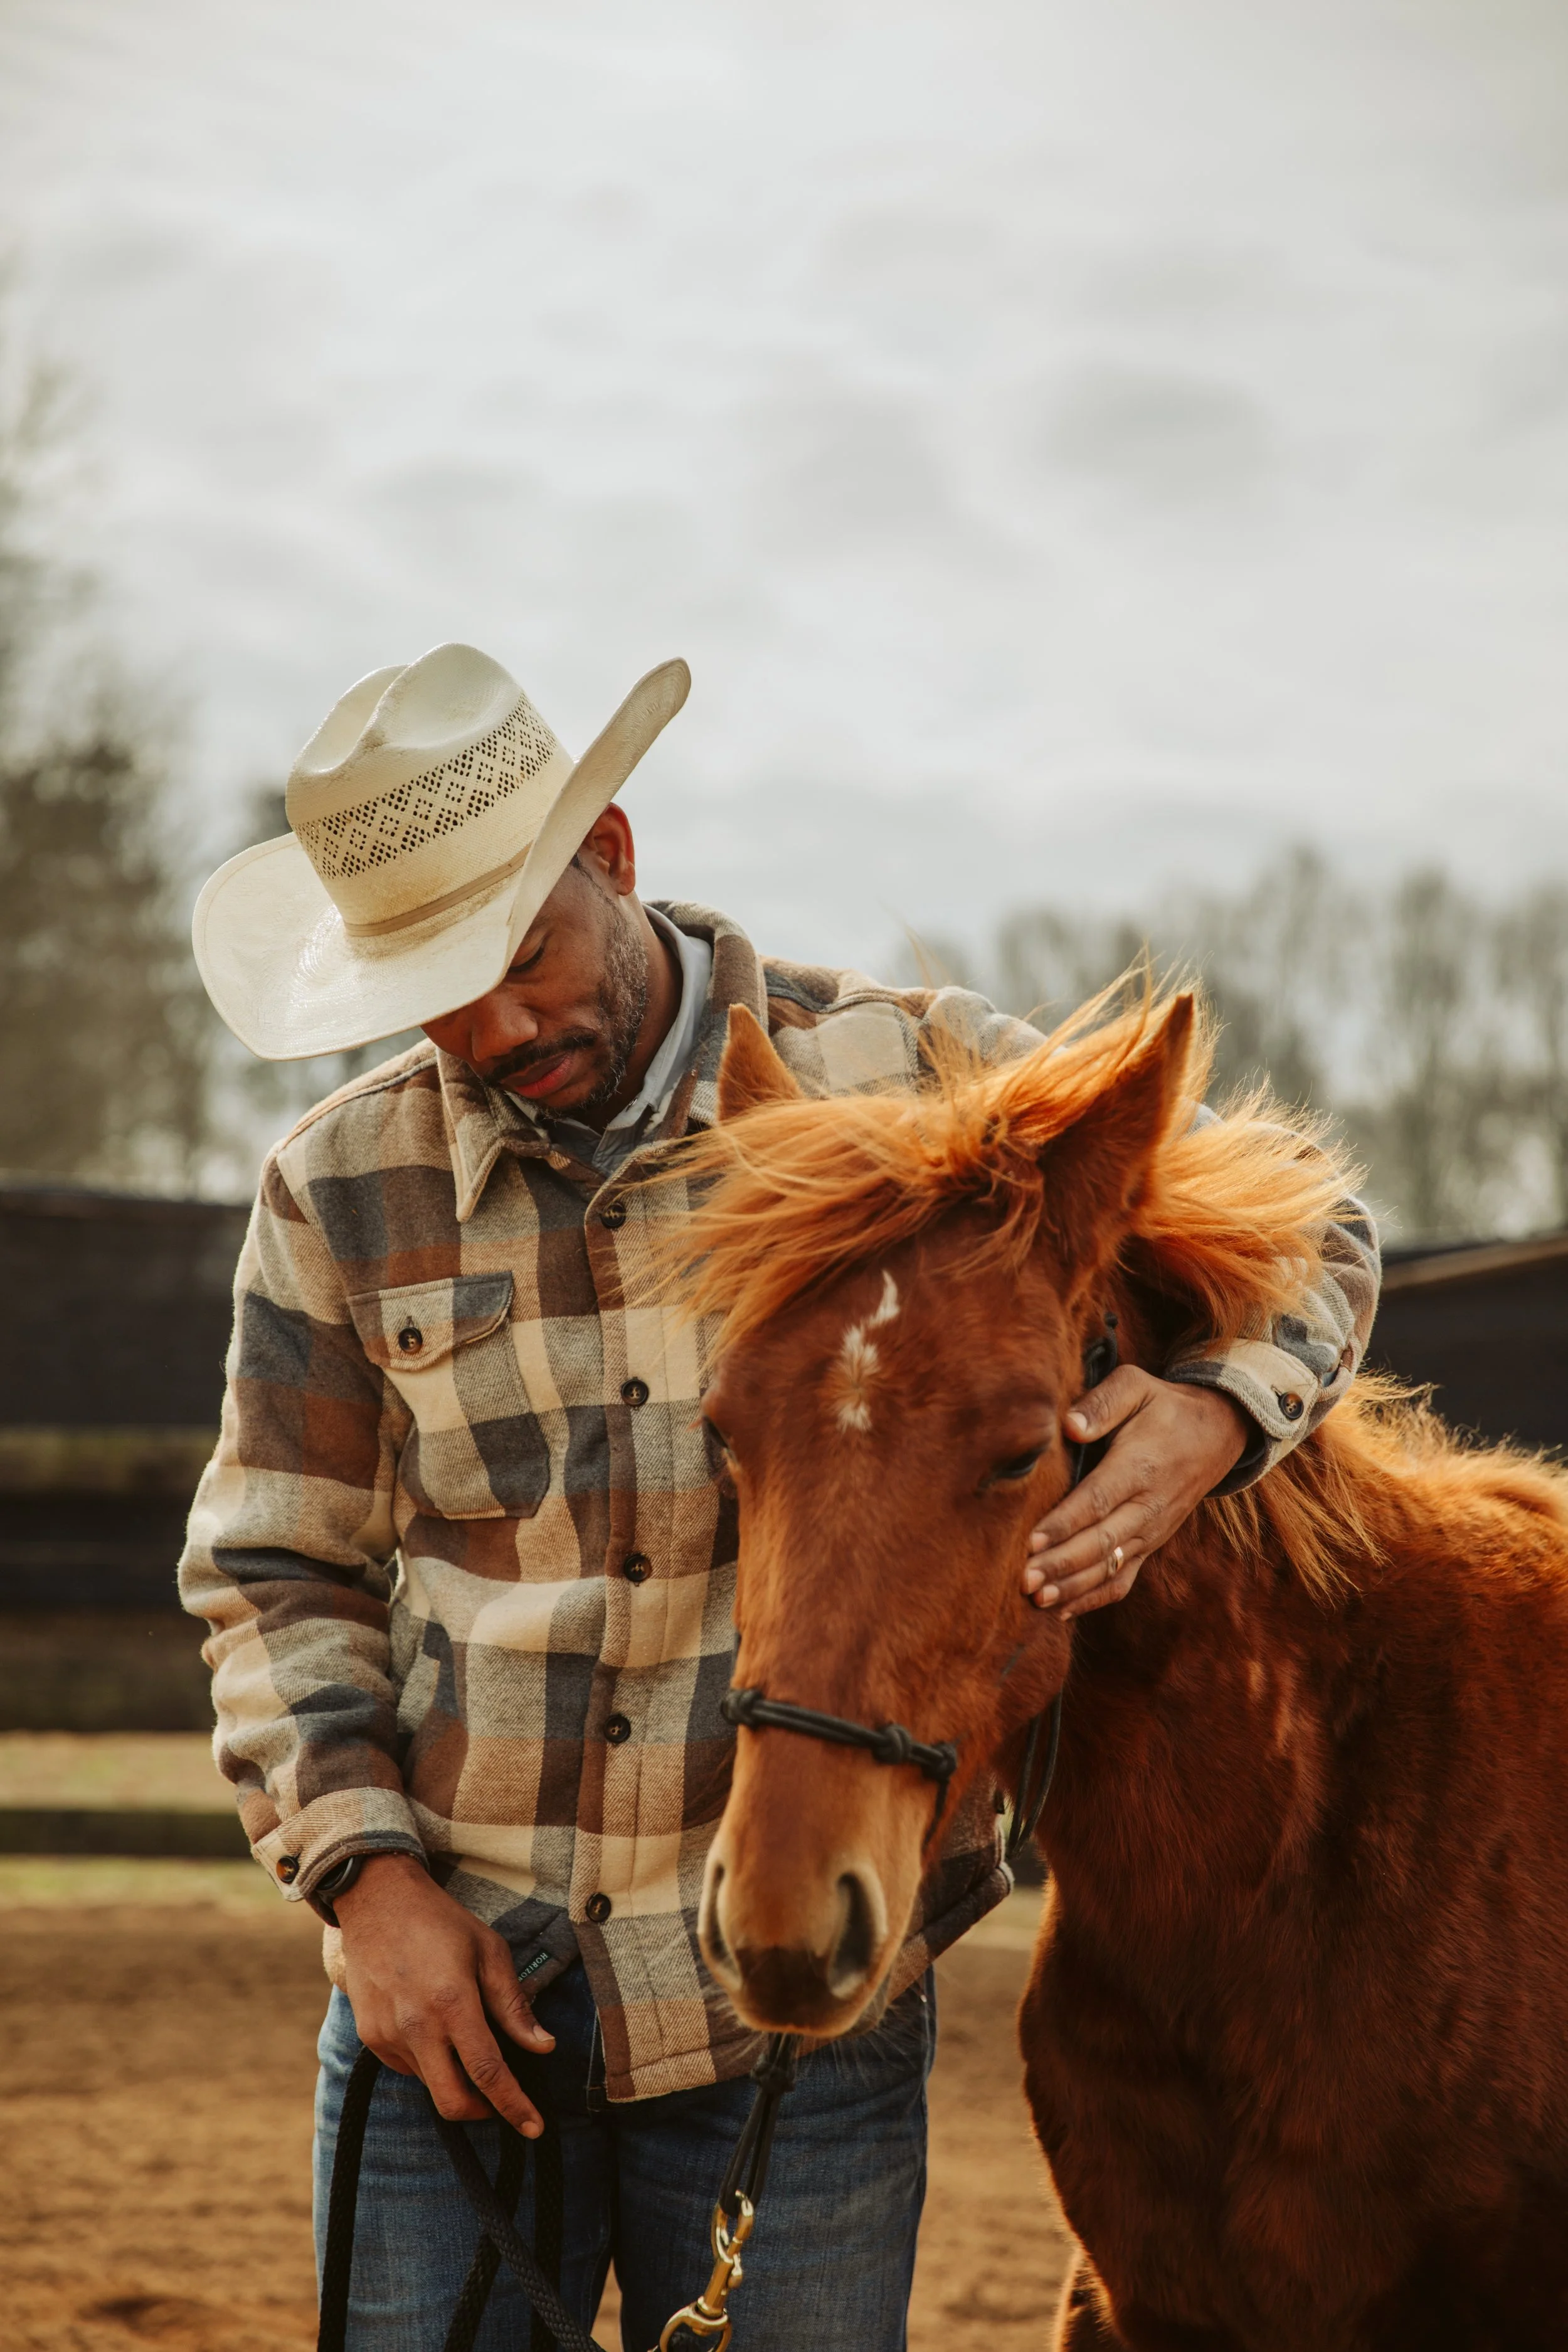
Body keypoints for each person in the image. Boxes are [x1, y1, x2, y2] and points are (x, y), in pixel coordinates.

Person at [180, 644, 1380, 2351]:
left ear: (610, 850)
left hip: (793, 2025)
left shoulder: (911, 1079)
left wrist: (1210, 1412)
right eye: (428, 993)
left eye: (516, 962)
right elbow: (269, 1564)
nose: (490, 1033)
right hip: (450, 1989)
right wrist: (367, 1887)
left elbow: (1317, 1235)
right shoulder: (341, 1188)